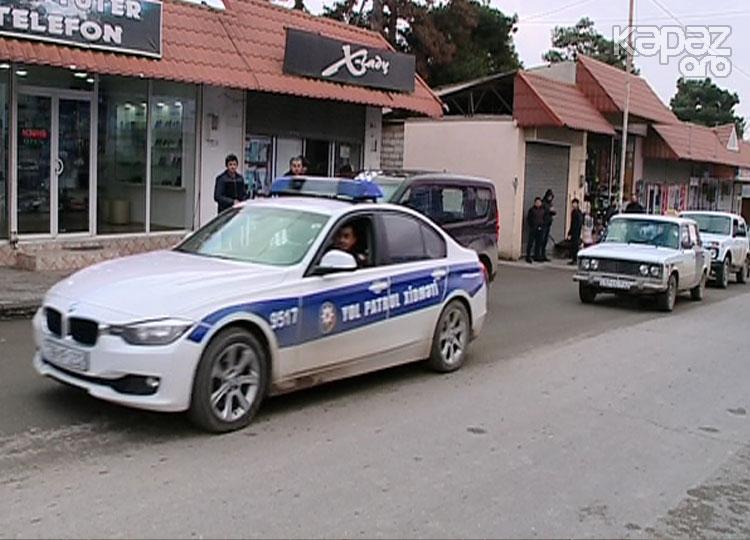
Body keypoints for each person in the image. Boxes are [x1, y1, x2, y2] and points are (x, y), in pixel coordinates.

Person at [526, 197, 546, 264]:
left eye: (539, 202)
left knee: (539, 243)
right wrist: (532, 225)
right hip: (533, 228)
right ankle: (528, 256)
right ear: (535, 203)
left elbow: (544, 218)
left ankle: (537, 256)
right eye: (537, 202)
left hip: (540, 228)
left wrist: (542, 226)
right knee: (530, 243)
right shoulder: (531, 210)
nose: (538, 203)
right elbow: (529, 219)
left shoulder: (543, 210)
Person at [541, 189, 557, 262]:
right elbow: (542, 212)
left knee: (545, 240)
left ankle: (543, 254)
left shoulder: (550, 204)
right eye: (549, 196)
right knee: (542, 240)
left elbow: (553, 211)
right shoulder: (543, 203)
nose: (550, 198)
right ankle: (539, 254)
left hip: (548, 223)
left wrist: (553, 212)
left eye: (551, 197)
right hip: (543, 224)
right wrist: (548, 211)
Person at [567, 198, 584, 265]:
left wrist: (573, 231)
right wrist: (570, 232)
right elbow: (572, 223)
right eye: (573, 204)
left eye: (574, 203)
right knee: (573, 246)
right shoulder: (574, 212)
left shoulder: (578, 213)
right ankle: (574, 259)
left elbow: (577, 223)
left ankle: (575, 259)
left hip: (576, 231)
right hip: (575, 231)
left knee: (575, 246)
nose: (573, 205)